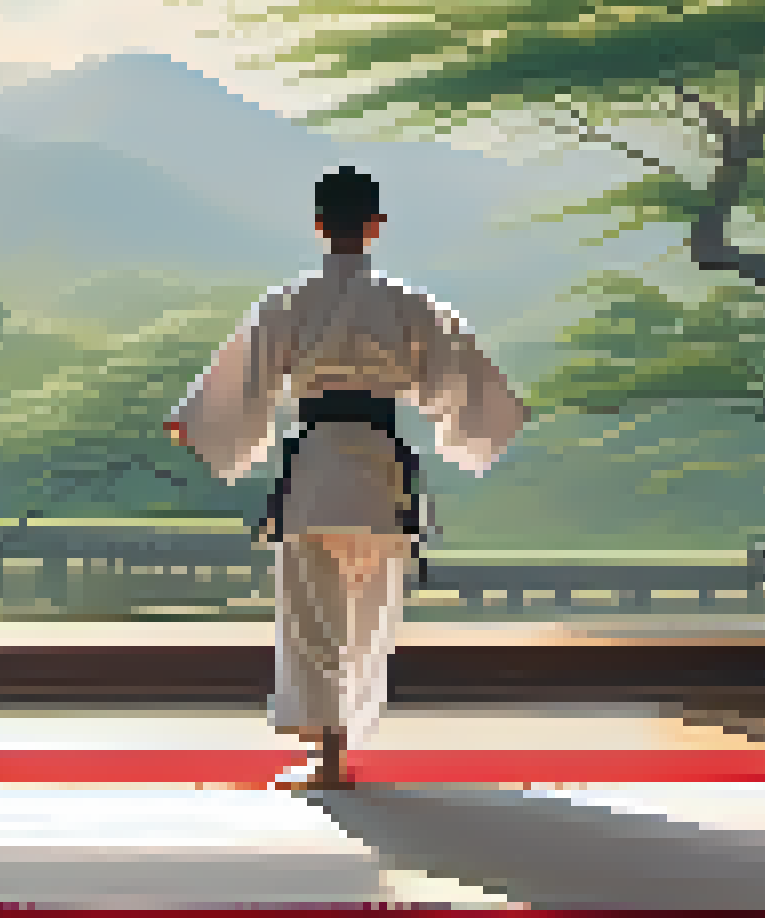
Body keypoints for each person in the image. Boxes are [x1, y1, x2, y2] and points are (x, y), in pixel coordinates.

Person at [163, 166, 526, 791]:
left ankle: (328, 760)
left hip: (316, 472)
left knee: (313, 618)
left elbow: (242, 382)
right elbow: (464, 382)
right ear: (375, 226)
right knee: (367, 617)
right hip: (382, 476)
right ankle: (339, 751)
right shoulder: (409, 305)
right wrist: (494, 419)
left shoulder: (287, 304)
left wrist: (196, 423)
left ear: (319, 224)